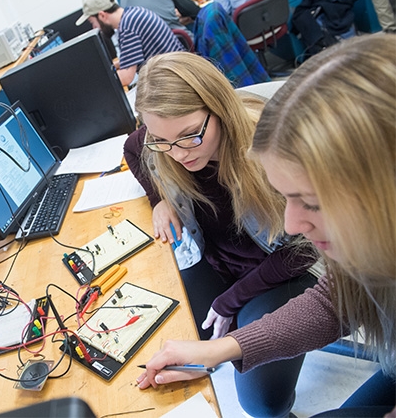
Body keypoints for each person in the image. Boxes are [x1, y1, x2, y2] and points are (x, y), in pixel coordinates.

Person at [136, 34, 396, 417]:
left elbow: (298, 262)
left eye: (310, 202)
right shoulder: (370, 248)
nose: (292, 222)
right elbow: (337, 298)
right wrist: (219, 349)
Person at [123, 50, 319, 417]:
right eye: (162, 141)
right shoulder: (161, 142)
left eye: (189, 136)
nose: (178, 154)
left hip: (284, 269)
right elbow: (132, 149)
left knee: (262, 402)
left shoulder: (271, 147)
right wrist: (158, 199)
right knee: (162, 333)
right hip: (221, 263)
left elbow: (304, 250)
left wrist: (230, 301)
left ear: (218, 108)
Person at [76, 0, 184, 86]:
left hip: (176, 81)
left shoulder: (128, 27)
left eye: (92, 22)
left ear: (102, 15)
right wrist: (111, 66)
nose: (94, 27)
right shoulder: (132, 14)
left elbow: (125, 78)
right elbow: (129, 59)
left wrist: (92, 82)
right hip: (178, 72)